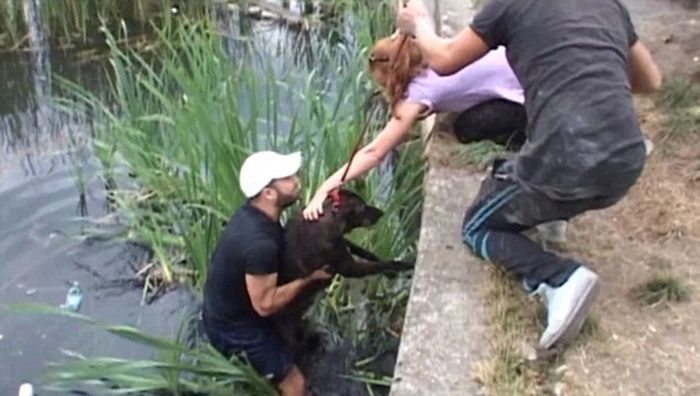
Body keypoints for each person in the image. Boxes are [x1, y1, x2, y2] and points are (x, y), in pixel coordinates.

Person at [397, 0, 662, 349]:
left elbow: (444, 60)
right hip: (626, 162)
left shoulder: (509, 5)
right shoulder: (608, 4)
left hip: (565, 164)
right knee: (516, 167)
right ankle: (554, 215)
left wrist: (418, 24)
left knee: (477, 226)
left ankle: (561, 278)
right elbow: (651, 81)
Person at [303, 34, 527, 221]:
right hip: (529, 66)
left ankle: (522, 140)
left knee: (464, 128)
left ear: (393, 76)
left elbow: (374, 153)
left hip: (531, 102)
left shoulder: (419, 93)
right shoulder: (436, 49)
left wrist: (325, 187)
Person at [202, 151, 332, 396]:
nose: (296, 180)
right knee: (296, 384)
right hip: (234, 329)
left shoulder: (254, 214)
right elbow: (265, 304)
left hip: (225, 308)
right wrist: (308, 279)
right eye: (287, 178)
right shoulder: (260, 244)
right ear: (268, 193)